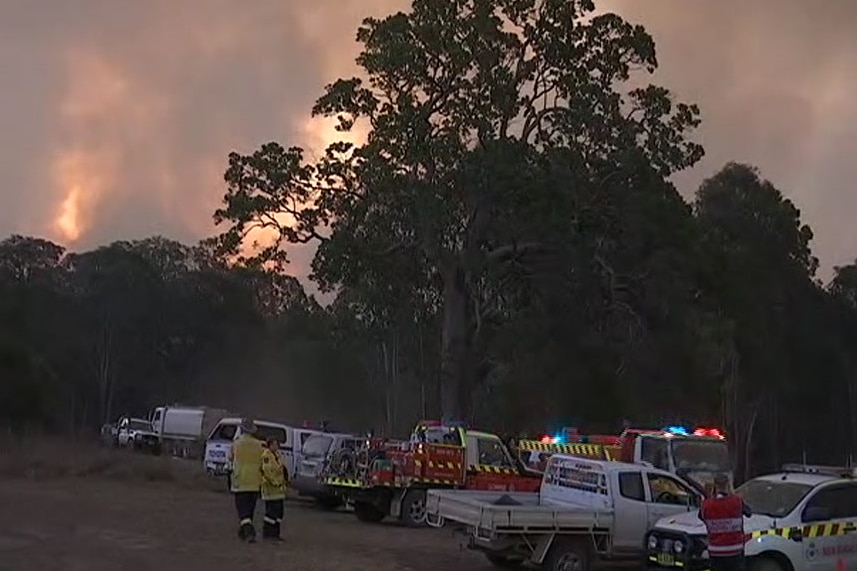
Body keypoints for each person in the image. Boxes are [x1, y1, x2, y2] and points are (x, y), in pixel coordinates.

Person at [699, 473, 752, 571]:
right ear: (728, 485)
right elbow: (748, 512)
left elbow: (701, 516)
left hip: (716, 551)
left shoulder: (707, 504)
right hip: (735, 550)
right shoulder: (737, 501)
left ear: (714, 486)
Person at [228, 418, 264, 542]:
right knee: (249, 509)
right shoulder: (259, 445)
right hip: (254, 480)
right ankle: (243, 532)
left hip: (240, 480)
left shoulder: (236, 443)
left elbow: (230, 457)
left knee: (242, 510)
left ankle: (249, 532)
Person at [260, 437, 287, 541]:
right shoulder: (266, 456)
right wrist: (274, 483)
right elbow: (267, 471)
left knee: (279, 512)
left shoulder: (277, 455)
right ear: (270, 445)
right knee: (271, 512)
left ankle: (275, 533)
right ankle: (268, 534)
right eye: (275, 444)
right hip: (270, 489)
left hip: (279, 490)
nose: (277, 446)